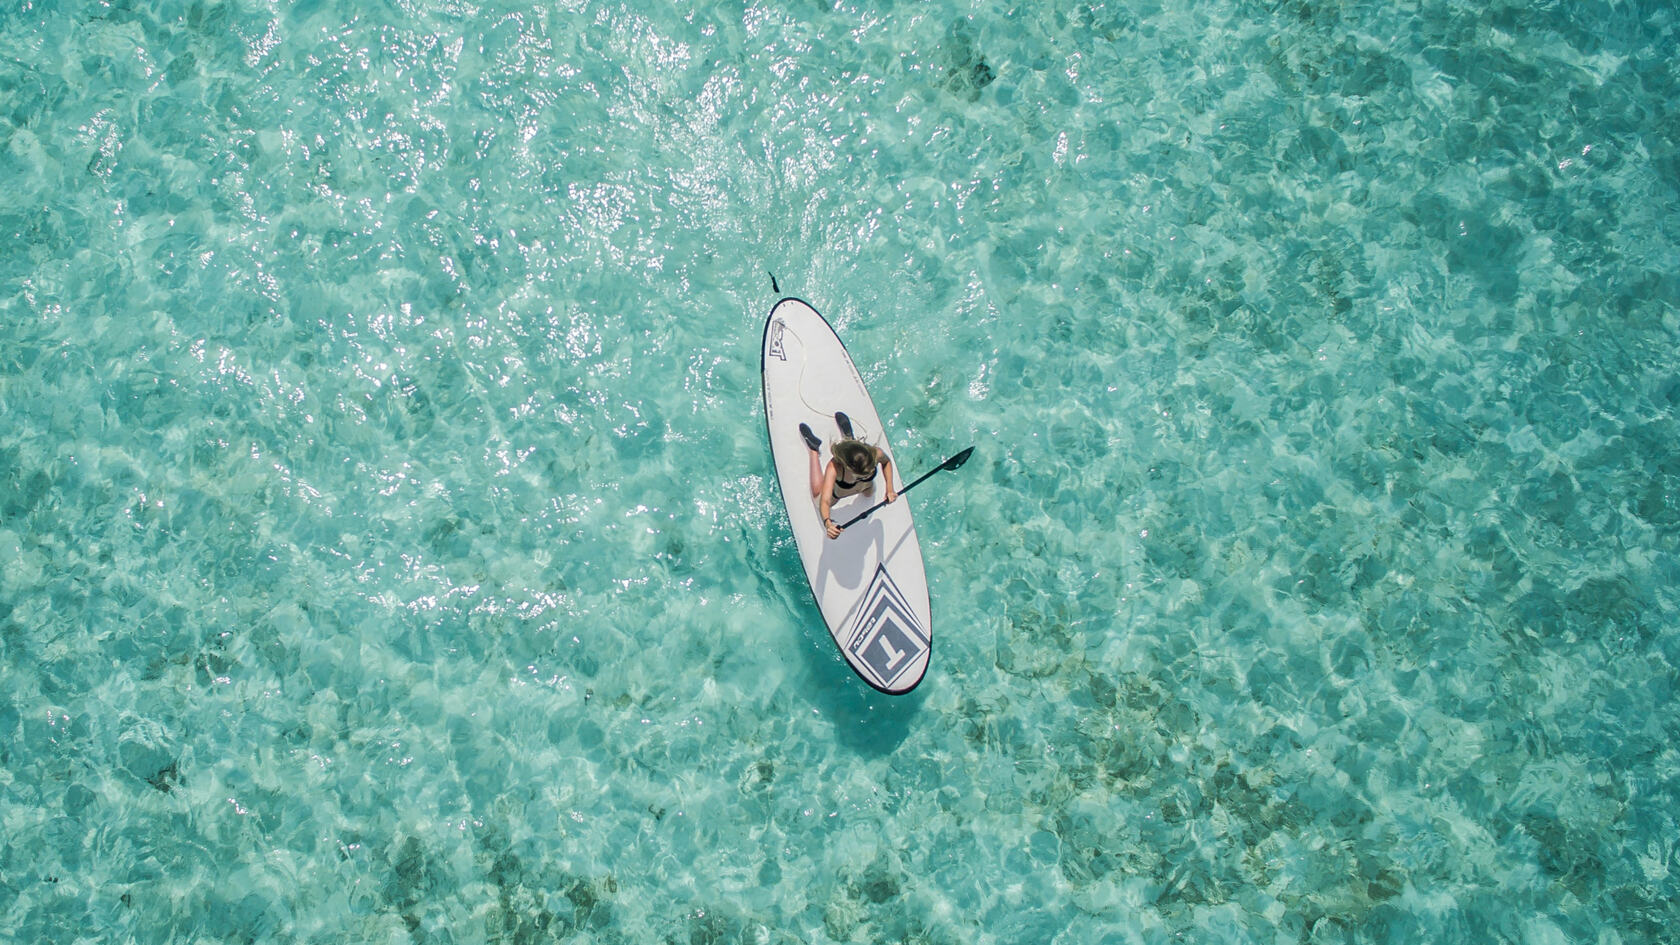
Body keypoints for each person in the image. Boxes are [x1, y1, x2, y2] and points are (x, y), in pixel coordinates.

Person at [799, 412, 896, 538]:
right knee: (818, 498)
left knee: (869, 494)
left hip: (866, 487)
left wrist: (890, 488)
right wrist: (828, 523)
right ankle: (814, 450)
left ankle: (849, 438)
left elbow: (886, 462)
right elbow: (825, 501)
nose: (864, 476)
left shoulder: (876, 454)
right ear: (847, 467)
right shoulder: (834, 467)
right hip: (838, 493)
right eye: (860, 475)